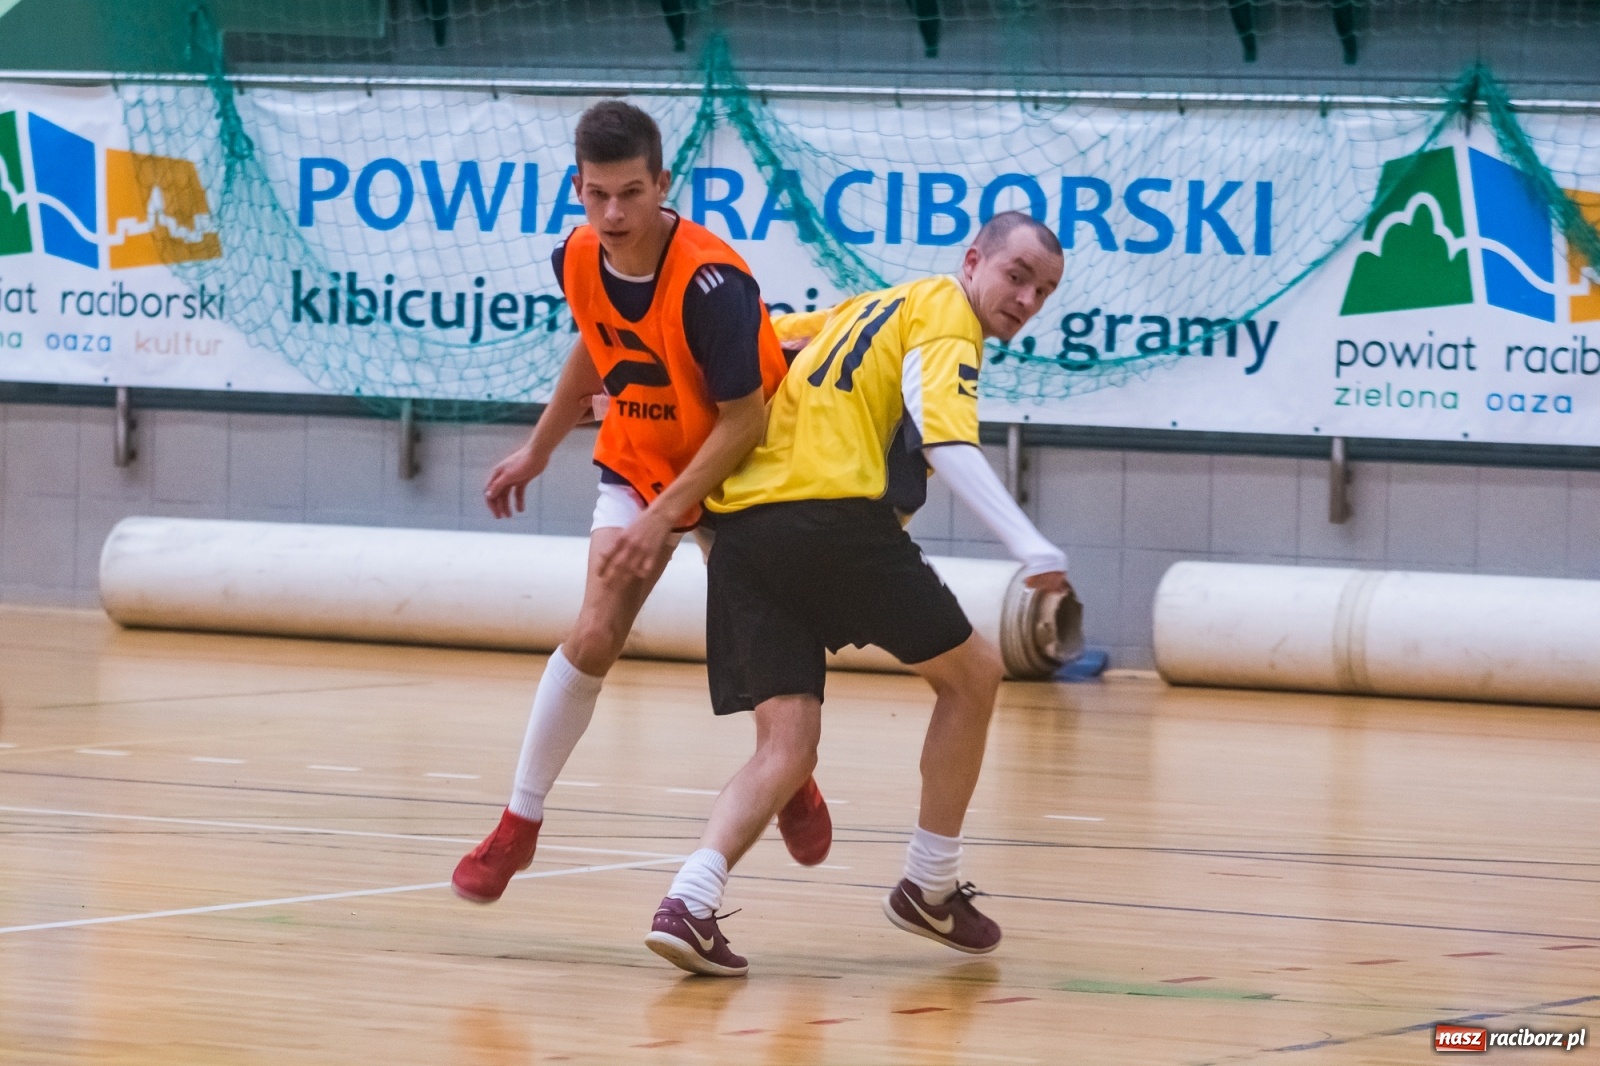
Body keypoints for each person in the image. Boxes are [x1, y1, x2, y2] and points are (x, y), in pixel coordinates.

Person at [642, 211, 1070, 977]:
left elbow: (747, 346)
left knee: (788, 744)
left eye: (1043, 290)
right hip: (830, 522)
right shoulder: (946, 313)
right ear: (972, 261)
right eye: (1017, 276)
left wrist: (633, 398)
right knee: (973, 676)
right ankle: (930, 885)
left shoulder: (860, 309)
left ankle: (687, 902)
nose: (1027, 299)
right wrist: (1026, 541)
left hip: (743, 533)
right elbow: (946, 439)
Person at [452, 100, 832, 905]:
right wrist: (539, 447)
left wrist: (664, 522)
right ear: (578, 189)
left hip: (741, 473)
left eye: (631, 193)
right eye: (597, 195)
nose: (614, 213)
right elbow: (594, 348)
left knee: (769, 678)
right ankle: (518, 823)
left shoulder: (713, 285)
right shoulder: (577, 257)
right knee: (592, 634)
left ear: (663, 183)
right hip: (639, 458)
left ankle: (787, 778)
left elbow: (743, 421)